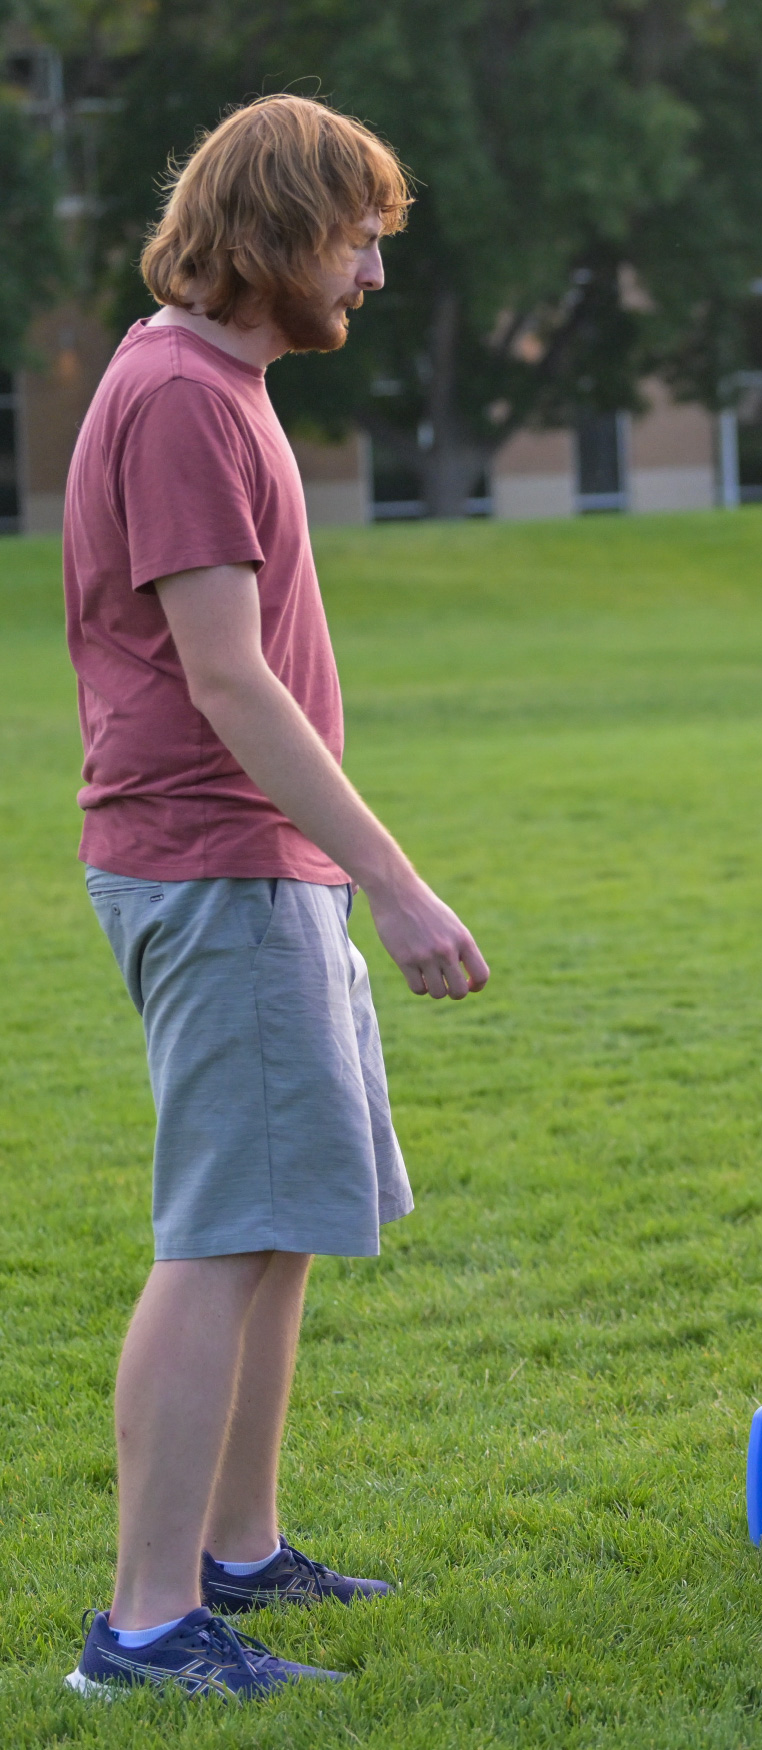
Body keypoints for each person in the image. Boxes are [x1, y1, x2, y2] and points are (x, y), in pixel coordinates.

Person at [63, 94, 490, 1699]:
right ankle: (148, 1627)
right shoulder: (179, 397)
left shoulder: (216, 382)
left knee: (281, 1225)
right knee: (223, 1231)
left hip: (255, 859)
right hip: (216, 855)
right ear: (275, 235)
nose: (374, 270)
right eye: (358, 236)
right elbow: (229, 680)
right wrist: (398, 883)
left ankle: (238, 1549)